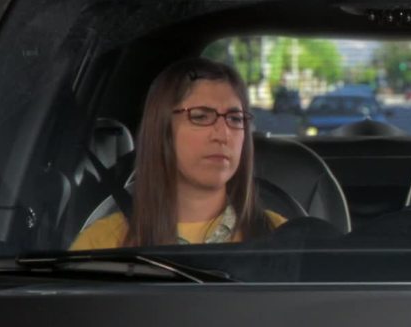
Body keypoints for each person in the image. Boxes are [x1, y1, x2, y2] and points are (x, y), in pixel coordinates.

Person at [71, 57, 285, 250]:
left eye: (235, 119)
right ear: (161, 129)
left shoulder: (282, 237)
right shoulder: (101, 244)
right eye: (200, 117)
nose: (223, 135)